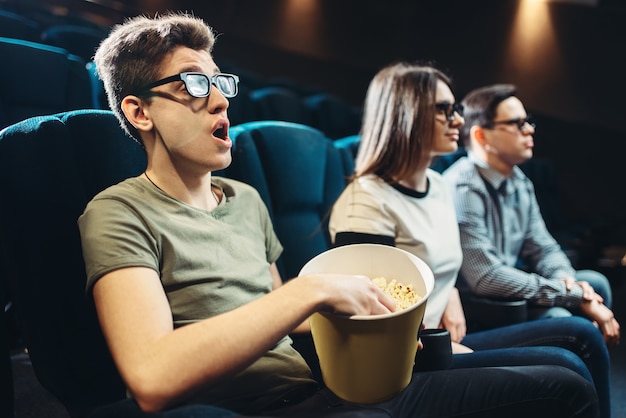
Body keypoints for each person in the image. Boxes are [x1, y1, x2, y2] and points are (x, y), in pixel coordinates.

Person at [79, 13, 599, 417]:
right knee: (564, 389)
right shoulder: (119, 212)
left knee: (566, 374)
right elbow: (151, 377)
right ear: (139, 111)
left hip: (326, 389)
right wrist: (310, 290)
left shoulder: (245, 201)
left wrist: (380, 323)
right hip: (249, 408)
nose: (219, 101)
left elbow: (290, 322)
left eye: (221, 84)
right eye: (194, 84)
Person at [328, 62, 611, 418]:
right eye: (444, 111)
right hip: (405, 361)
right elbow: (371, 319)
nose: (458, 120)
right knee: (567, 375)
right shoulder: (367, 200)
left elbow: (431, 263)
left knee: (579, 336)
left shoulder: (437, 185)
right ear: (406, 115)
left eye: (457, 109)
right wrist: (440, 349)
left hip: (438, 338)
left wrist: (450, 295)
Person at [441, 84, 620, 348]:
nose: (529, 129)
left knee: (596, 284)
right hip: (479, 310)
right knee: (565, 316)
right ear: (481, 136)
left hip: (508, 297)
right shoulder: (463, 186)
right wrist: (570, 294)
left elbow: (543, 247)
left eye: (529, 121)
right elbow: (486, 277)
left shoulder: (518, 180)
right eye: (517, 123)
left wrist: (566, 281)